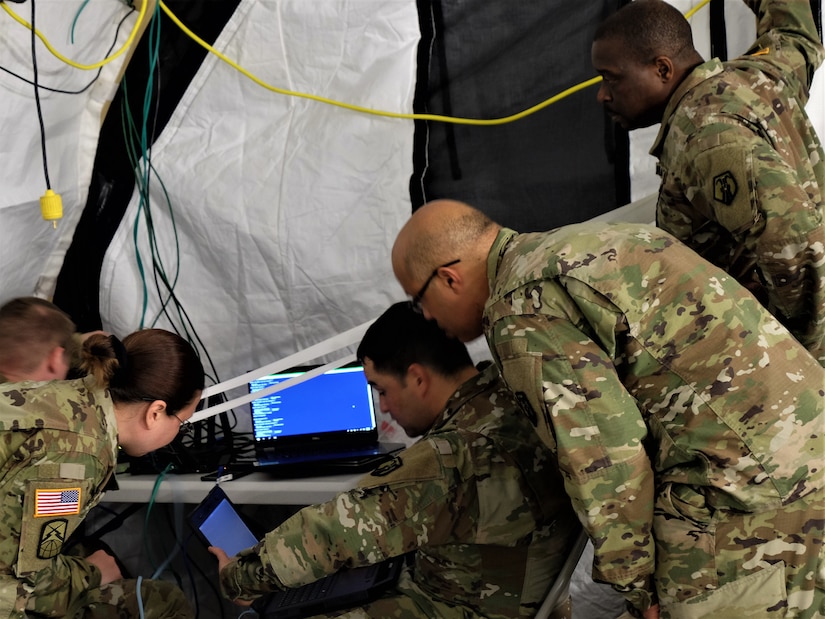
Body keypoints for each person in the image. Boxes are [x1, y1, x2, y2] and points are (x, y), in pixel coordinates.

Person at [391, 199, 825, 619]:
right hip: (802, 459)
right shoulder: (597, 241)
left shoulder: (520, 308)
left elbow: (602, 459)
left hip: (740, 505)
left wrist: (638, 587)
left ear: (449, 278)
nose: (425, 318)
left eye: (418, 300)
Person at [211, 302, 580, 618]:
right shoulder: (512, 400)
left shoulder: (458, 455)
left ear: (417, 378)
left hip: (456, 605)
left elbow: (337, 529)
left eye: (383, 390)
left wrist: (240, 577)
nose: (384, 407)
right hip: (503, 593)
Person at [591, 0, 825, 366]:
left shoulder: (703, 136)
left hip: (787, 362)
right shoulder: (757, 76)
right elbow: (794, 35)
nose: (602, 95)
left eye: (611, 78)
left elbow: (794, 244)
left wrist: (803, 367)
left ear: (663, 69)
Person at [0, 328, 205, 619]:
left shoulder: (70, 396)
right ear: (156, 412)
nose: (177, 434)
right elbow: (14, 585)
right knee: (161, 601)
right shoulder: (78, 457)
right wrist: (93, 573)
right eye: (183, 423)